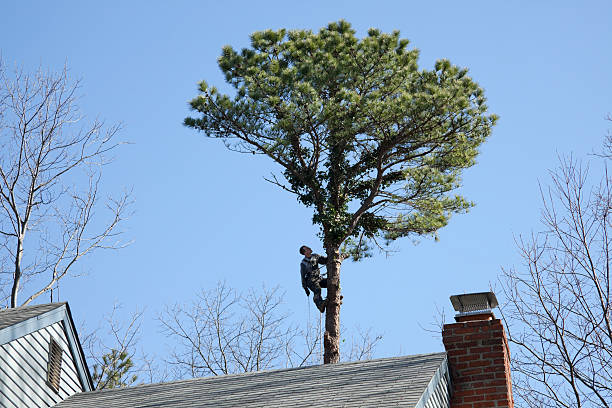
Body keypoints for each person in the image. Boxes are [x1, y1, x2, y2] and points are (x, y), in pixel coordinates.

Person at [299, 245, 328, 313]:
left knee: (330, 282)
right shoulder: (303, 263)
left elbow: (324, 260)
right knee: (317, 289)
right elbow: (302, 276)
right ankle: (320, 305)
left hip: (318, 278)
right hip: (310, 280)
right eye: (307, 248)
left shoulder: (315, 256)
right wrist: (305, 288)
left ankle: (334, 298)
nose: (309, 248)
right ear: (305, 252)